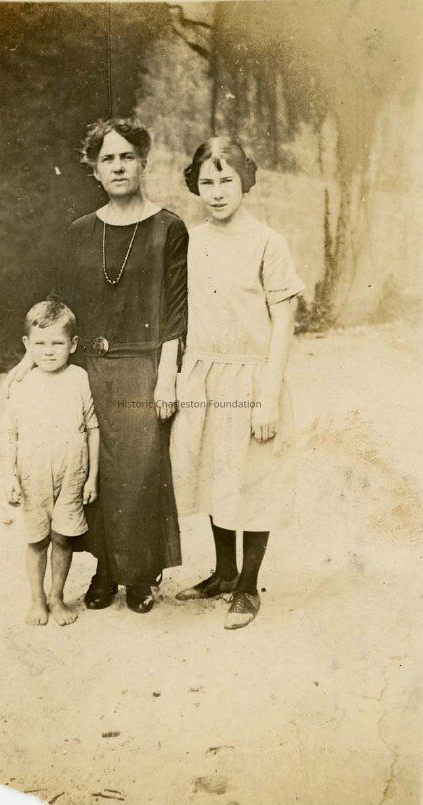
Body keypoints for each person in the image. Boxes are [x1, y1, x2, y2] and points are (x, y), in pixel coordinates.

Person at [51, 118, 188, 614]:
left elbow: (176, 311)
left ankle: (141, 575)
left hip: (143, 366)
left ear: (143, 163)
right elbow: (63, 306)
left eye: (127, 156)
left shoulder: (168, 227)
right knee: (94, 469)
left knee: (139, 470)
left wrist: (167, 376)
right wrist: (35, 363)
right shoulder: (80, 231)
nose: (118, 166)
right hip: (89, 366)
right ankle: (105, 570)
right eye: (107, 159)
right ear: (94, 170)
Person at [170, 137, 305, 630]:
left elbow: (284, 322)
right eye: (207, 182)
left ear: (245, 180)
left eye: (227, 179)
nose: (217, 191)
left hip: (252, 379)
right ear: (195, 186)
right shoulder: (192, 240)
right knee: (214, 472)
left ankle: (248, 585)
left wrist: (268, 396)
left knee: (254, 477)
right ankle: (224, 572)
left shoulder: (268, 242)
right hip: (205, 375)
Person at [2, 300, 99, 626]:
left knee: (63, 537)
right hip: (33, 476)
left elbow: (93, 428)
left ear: (73, 344)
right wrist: (9, 476)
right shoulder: (22, 383)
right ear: (27, 344)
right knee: (37, 539)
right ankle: (37, 600)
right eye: (40, 343)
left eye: (57, 343)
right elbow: (9, 434)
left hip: (72, 474)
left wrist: (92, 477)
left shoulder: (79, 378)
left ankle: (57, 597)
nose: (48, 351)